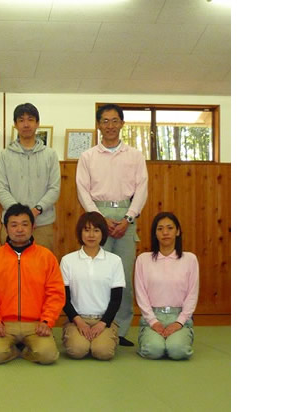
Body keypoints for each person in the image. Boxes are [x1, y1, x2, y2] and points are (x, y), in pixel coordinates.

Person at [75, 103, 148, 346]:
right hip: (98, 216)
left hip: (127, 216)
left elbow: (142, 189)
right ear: (98, 125)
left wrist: (129, 218)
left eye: (114, 121)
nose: (110, 126)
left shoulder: (135, 156)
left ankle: (122, 330)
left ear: (122, 124)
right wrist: (98, 219)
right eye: (105, 121)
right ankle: (98, 325)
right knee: (98, 275)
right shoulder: (88, 157)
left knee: (123, 276)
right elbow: (82, 190)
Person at [0, 203, 65, 364]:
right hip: (4, 324)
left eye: (25, 224)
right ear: (6, 227)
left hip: (36, 324)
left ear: (33, 227)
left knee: (48, 356)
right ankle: (15, 350)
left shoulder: (46, 257)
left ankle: (24, 351)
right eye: (14, 225)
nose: (19, 229)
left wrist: (47, 320)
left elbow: (55, 293)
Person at [59, 212, 125, 360]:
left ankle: (108, 336)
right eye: (87, 230)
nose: (91, 235)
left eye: (96, 230)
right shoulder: (68, 261)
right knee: (78, 350)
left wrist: (102, 324)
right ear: (80, 232)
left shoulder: (114, 261)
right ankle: (76, 335)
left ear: (103, 233)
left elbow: (116, 299)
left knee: (102, 352)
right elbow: (64, 297)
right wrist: (79, 322)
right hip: (77, 320)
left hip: (103, 320)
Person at [0, 103, 60, 251]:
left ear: (37, 123)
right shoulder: (4, 155)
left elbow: (54, 189)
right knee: (10, 270)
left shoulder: (50, 155)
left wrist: (35, 211)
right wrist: (20, 216)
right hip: (12, 224)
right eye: (21, 120)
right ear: (15, 124)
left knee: (42, 270)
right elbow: (1, 189)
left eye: (30, 119)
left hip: (42, 224)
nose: (26, 124)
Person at [134, 212, 199, 360]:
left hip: (179, 316)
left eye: (170, 228)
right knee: (154, 350)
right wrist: (153, 321)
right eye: (160, 229)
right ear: (154, 233)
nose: (165, 232)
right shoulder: (143, 260)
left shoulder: (190, 259)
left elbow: (192, 294)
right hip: (153, 316)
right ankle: (149, 338)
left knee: (178, 351)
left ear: (177, 232)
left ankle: (180, 338)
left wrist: (179, 322)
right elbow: (141, 294)